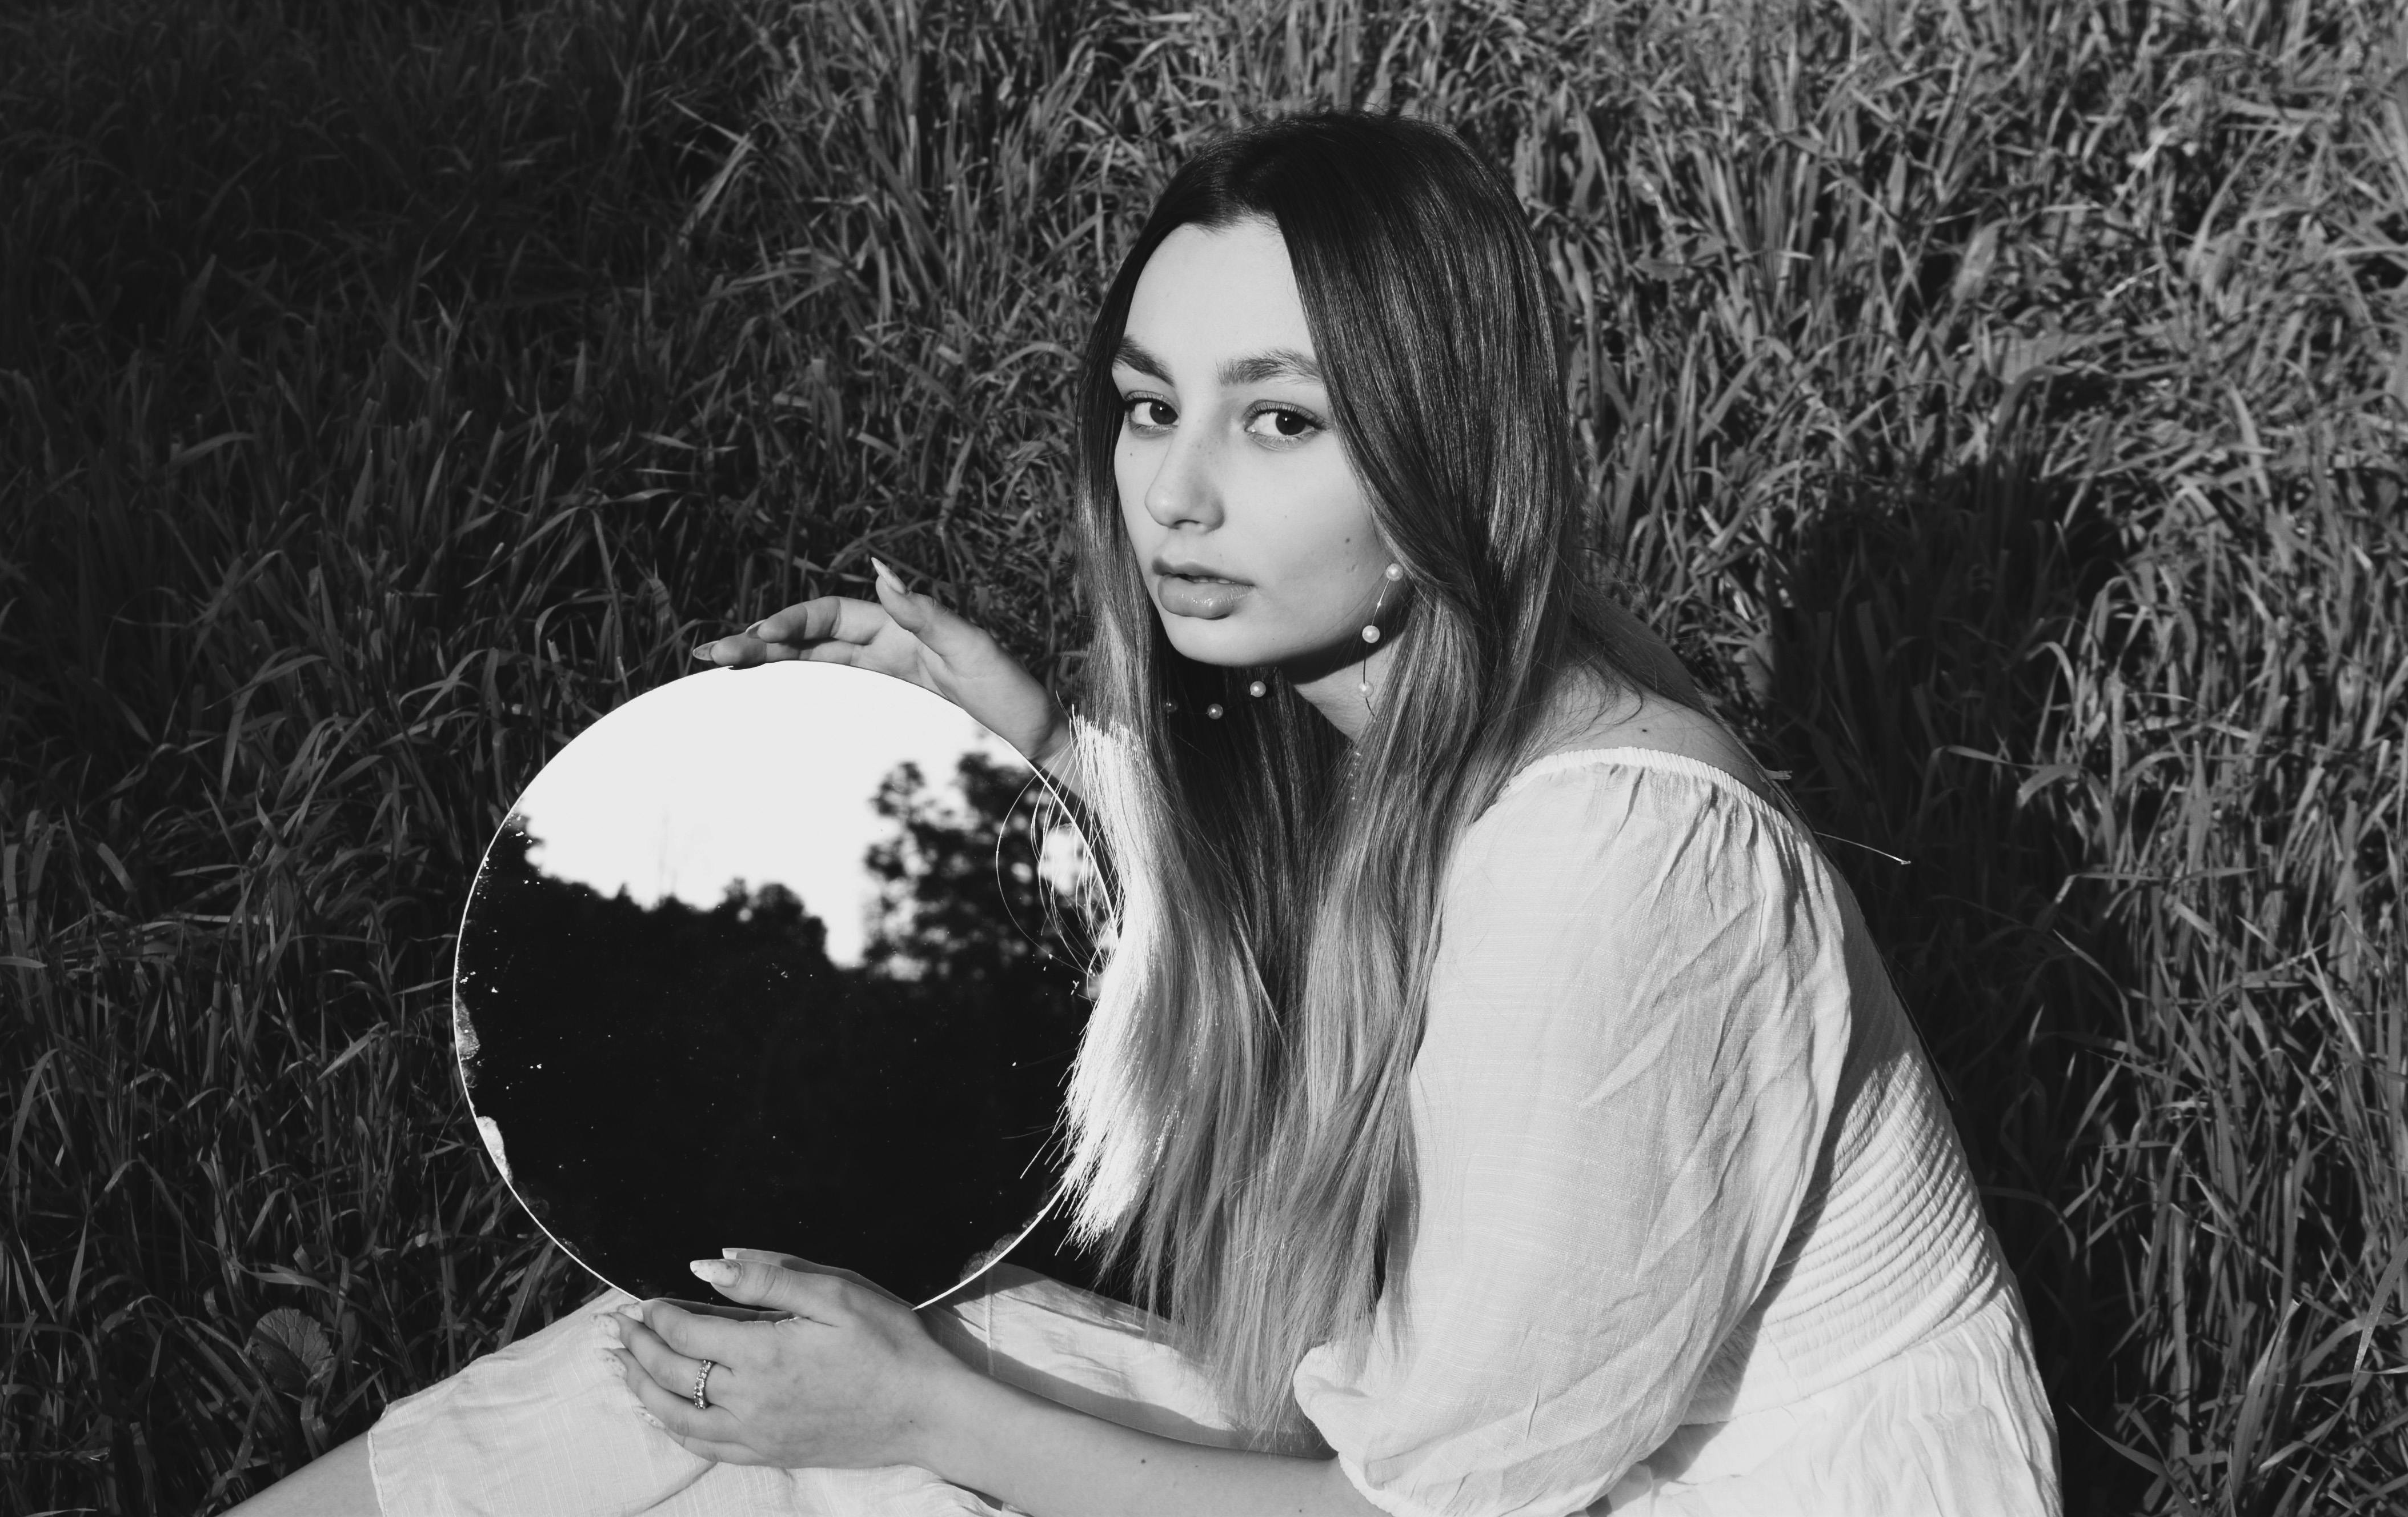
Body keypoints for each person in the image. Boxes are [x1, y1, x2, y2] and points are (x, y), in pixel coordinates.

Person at [230, 111, 2061, 1515]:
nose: (1174, 494)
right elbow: (1275, 920)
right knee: (723, 1366)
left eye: (1278, 424)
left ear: (1443, 449)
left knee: (882, 1410)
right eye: (1145, 404)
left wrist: (941, 1422)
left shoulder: (1616, 863)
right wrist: (1016, 730)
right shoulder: (1397, 685)